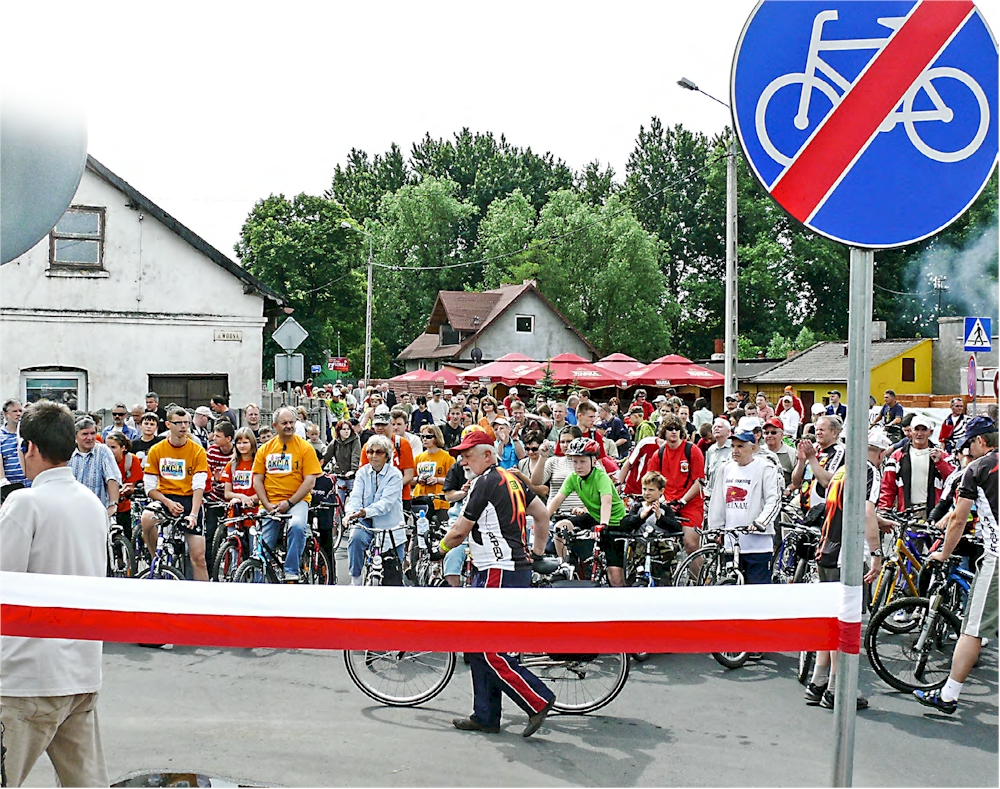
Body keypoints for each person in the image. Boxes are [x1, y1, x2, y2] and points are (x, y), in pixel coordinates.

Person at [0, 400, 110, 787]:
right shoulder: (93, 504)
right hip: (81, 673)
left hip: (26, 678)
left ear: (28, 447)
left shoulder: (24, 502)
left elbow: (4, 585)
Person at [438, 430, 556, 737]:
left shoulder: (485, 481)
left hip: (497, 570)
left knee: (489, 647)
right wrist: (537, 554)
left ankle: (538, 699)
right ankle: (485, 715)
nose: (463, 461)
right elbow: (542, 515)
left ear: (488, 455)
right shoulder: (513, 478)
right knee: (476, 644)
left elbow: (459, 532)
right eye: (462, 455)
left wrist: (439, 550)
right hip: (510, 568)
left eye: (468, 455)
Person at [913, 416, 998, 714]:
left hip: (996, 556)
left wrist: (943, 553)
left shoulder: (977, 469)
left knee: (972, 629)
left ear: (980, 441)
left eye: (969, 445)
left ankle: (948, 695)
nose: (967, 452)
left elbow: (959, 518)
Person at [804, 427, 889, 711]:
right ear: (877, 452)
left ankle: (818, 683)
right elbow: (864, 511)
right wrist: (876, 553)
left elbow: (844, 506)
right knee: (847, 624)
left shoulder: (842, 469)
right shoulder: (869, 471)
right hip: (848, 556)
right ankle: (838, 689)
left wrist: (878, 520)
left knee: (831, 621)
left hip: (826, 550)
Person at [141, 406, 211, 581]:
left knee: (198, 557)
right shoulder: (157, 450)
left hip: (189, 499)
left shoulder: (197, 450)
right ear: (168, 425)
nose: (183, 427)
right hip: (165, 497)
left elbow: (198, 486)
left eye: (186, 423)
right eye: (178, 423)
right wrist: (167, 502)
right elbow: (149, 488)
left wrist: (194, 514)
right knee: (146, 518)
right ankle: (156, 561)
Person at [252, 407, 322, 583]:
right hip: (270, 502)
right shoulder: (265, 449)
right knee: (262, 546)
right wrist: (267, 505)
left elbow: (310, 481)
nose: (289, 426)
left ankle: (291, 570)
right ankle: (258, 581)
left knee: (297, 526)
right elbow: (257, 480)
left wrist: (290, 503)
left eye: (292, 422)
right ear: (275, 425)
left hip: (297, 501)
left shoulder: (305, 448)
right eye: (284, 423)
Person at [547, 437, 628, 586]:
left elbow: (606, 502)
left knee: (615, 577)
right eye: (575, 461)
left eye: (582, 461)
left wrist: (603, 525)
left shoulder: (601, 476)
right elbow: (558, 498)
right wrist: (543, 519)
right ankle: (565, 565)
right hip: (593, 516)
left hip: (614, 521)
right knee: (560, 526)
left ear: (594, 461)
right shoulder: (573, 477)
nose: (578, 466)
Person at [707, 423, 780, 585]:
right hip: (732, 541)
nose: (735, 450)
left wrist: (761, 521)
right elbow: (718, 500)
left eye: (740, 446)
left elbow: (773, 500)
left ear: (753, 448)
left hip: (757, 544)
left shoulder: (765, 468)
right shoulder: (726, 468)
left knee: (757, 589)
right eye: (733, 446)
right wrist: (716, 528)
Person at [345, 434, 405, 585]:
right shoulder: (362, 472)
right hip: (365, 521)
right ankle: (356, 579)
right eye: (370, 452)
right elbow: (356, 496)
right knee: (355, 538)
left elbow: (385, 504)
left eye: (379, 452)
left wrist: (364, 511)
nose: (373, 456)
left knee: (394, 573)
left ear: (387, 455)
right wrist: (350, 513)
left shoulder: (395, 475)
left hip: (389, 525)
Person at [647, 414, 707, 565]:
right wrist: (658, 501)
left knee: (691, 545)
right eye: (669, 429)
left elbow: (699, 482)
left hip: (691, 503)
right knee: (650, 540)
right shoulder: (658, 454)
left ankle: (700, 585)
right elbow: (651, 483)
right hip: (667, 502)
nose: (673, 432)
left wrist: (682, 501)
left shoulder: (692, 450)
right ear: (663, 433)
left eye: (676, 429)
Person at [879, 413, 955, 520]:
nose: (920, 434)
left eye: (924, 430)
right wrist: (883, 511)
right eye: (916, 429)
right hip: (906, 513)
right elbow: (888, 486)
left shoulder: (942, 456)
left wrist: (941, 463)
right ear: (911, 431)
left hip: (934, 514)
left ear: (930, 432)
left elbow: (953, 481)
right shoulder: (897, 456)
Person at [791, 415, 846, 522]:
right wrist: (801, 461)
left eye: (822, 430)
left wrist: (811, 458)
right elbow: (796, 482)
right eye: (816, 430)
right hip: (804, 511)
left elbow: (827, 482)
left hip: (823, 514)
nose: (818, 433)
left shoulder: (839, 450)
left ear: (834, 433)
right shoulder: (813, 447)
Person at [360, 408, 416, 510]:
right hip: (374, 498)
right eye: (377, 425)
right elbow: (363, 474)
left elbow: (408, 475)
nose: (380, 428)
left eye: (384, 424)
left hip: (400, 496)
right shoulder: (367, 446)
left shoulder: (402, 444)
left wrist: (389, 489)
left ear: (391, 424)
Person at [69, 415, 122, 518]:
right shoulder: (67, 453)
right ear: (75, 436)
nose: (90, 438)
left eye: (93, 433)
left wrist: (113, 504)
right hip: (72, 512)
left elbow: (112, 478)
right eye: (85, 434)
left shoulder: (103, 451)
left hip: (97, 513)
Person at [619, 471, 684, 536]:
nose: (647, 493)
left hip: (660, 544)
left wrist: (660, 517)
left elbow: (677, 528)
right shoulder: (638, 507)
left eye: (651, 490)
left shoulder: (665, 509)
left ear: (661, 491)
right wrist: (640, 516)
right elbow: (624, 525)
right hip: (639, 543)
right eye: (644, 489)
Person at [106, 431, 144, 539]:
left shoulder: (131, 460)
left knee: (126, 534)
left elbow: (132, 483)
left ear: (123, 448)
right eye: (107, 447)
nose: (109, 451)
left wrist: (128, 488)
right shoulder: (102, 460)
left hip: (123, 504)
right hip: (106, 503)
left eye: (113, 447)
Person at [413, 423, 455, 519]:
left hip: (440, 501)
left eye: (428, 437)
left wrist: (436, 479)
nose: (424, 439)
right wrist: (419, 479)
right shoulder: (418, 457)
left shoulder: (447, 457)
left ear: (436, 438)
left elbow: (453, 480)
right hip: (421, 500)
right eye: (422, 436)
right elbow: (411, 478)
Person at [322, 420, 361, 506]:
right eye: (344, 429)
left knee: (354, 500)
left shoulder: (355, 440)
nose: (346, 431)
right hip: (339, 475)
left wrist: (353, 470)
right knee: (338, 501)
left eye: (348, 429)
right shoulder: (335, 442)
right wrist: (319, 468)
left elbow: (356, 455)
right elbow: (327, 456)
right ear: (339, 431)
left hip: (352, 476)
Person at [1, 398, 29, 490]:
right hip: (12, 485)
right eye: (14, 411)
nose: (18, 414)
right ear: (5, 414)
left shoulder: (27, 433)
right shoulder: (1, 436)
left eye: (20, 411)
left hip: (30, 483)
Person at [763, 417, 796, 490]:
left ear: (781, 435)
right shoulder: (759, 452)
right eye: (766, 433)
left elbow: (798, 479)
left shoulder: (792, 452)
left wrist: (788, 490)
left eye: (773, 432)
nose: (769, 435)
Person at [704, 417, 733, 499]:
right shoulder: (711, 450)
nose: (716, 428)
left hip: (728, 493)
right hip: (711, 494)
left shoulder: (734, 448)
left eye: (720, 427)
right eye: (714, 427)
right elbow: (706, 473)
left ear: (728, 431)